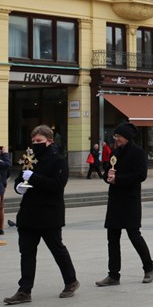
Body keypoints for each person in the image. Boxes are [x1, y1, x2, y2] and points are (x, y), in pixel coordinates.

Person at [4, 125, 79, 305]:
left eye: (39, 141)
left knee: (57, 249)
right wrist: (19, 187)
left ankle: (71, 281)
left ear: (50, 141)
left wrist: (33, 177)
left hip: (49, 213)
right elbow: (20, 179)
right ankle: (24, 290)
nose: (35, 144)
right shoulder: (29, 158)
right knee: (27, 252)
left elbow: (57, 185)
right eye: (33, 141)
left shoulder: (58, 160)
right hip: (28, 213)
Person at [96, 122, 153, 286]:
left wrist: (118, 179)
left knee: (134, 235)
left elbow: (141, 175)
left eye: (119, 136)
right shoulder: (115, 152)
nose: (116, 139)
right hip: (115, 200)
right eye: (115, 137)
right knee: (112, 238)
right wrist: (108, 176)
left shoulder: (138, 153)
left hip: (130, 200)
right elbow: (108, 170)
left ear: (127, 137)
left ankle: (149, 268)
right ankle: (113, 275)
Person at [0, 146, 9, 237]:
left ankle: (1, 228)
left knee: (1, 207)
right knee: (1, 208)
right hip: (2, 185)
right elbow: (7, 164)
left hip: (2, 185)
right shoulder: (3, 159)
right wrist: (5, 154)